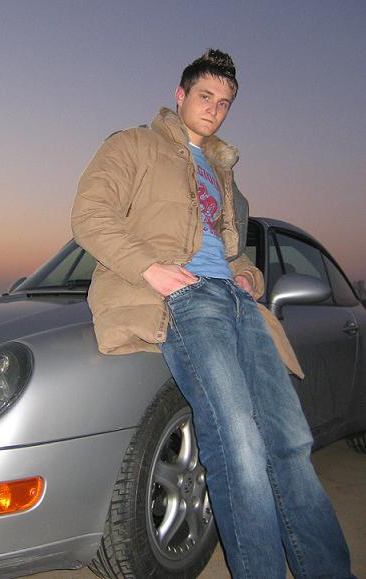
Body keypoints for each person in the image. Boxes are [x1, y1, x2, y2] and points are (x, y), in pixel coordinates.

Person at [71, 49, 354, 578]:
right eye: (205, 96)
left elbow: (230, 252)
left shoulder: (223, 174)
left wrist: (248, 275)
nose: (214, 109)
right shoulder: (134, 145)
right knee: (238, 447)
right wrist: (151, 269)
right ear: (180, 95)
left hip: (240, 305)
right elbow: (89, 215)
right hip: (190, 301)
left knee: (291, 443)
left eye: (224, 103)